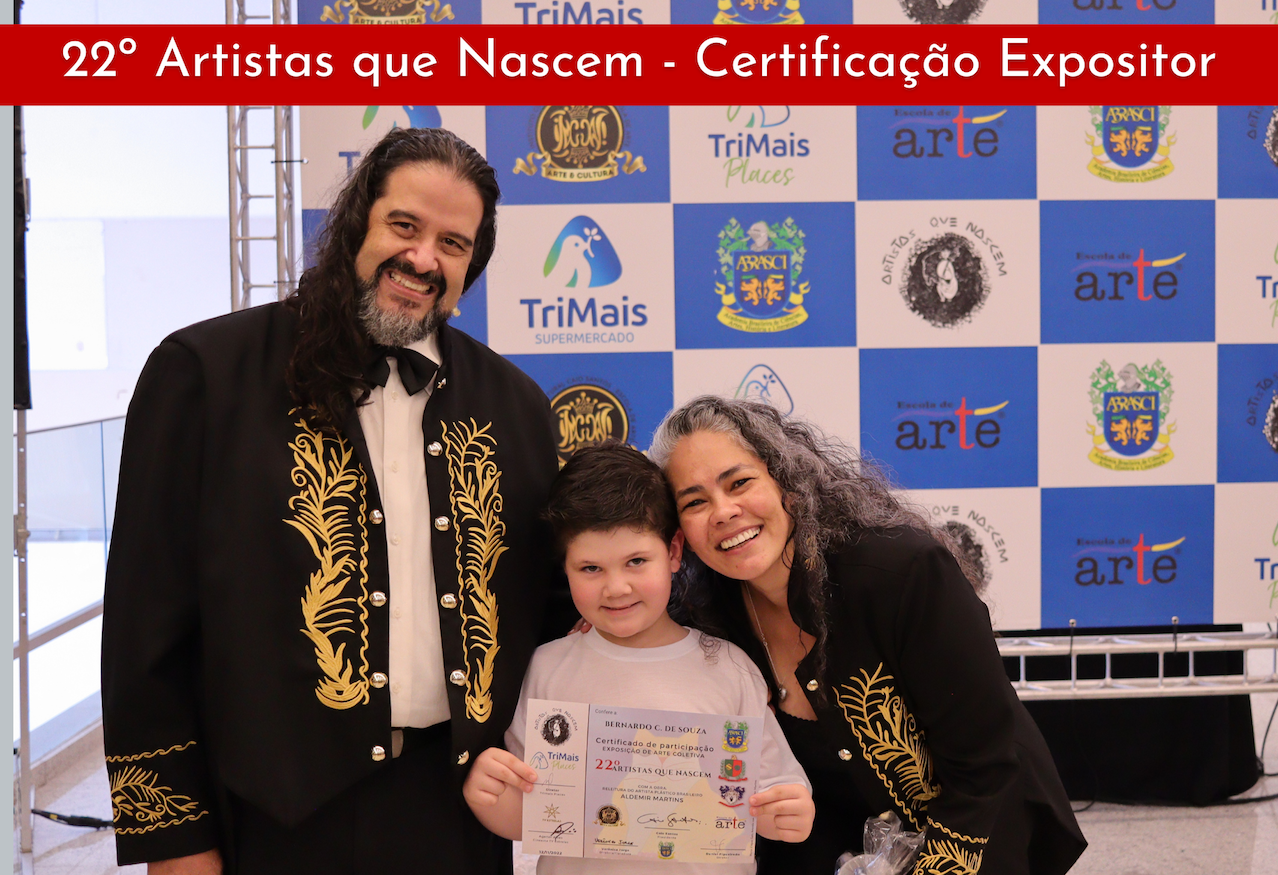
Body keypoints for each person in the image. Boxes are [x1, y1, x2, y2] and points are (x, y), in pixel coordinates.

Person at [101, 128, 570, 875]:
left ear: (471, 266)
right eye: (404, 225)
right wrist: (173, 837)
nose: (423, 259)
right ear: (356, 222)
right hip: (270, 817)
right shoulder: (205, 375)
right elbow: (144, 626)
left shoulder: (518, 407)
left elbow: (551, 618)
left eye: (453, 244)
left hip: (458, 819)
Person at [648, 397, 1087, 875]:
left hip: (978, 829)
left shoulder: (903, 572)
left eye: (740, 483)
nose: (723, 511)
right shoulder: (705, 618)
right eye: (695, 502)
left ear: (786, 483)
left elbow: (986, 766)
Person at [461, 442, 815, 874]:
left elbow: (775, 791)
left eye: (636, 561)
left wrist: (790, 812)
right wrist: (487, 795)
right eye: (591, 568)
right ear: (564, 569)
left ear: (674, 552)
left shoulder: (729, 667)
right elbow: (530, 816)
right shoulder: (545, 669)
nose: (616, 588)